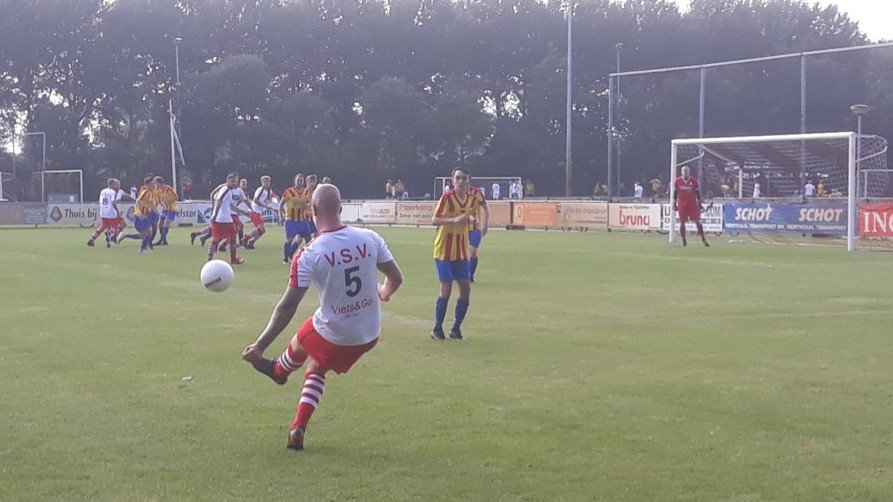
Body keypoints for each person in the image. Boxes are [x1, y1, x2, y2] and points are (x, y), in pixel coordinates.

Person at [240, 183, 403, 451]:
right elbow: (396, 277)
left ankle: (278, 369)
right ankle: (297, 428)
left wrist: (260, 344)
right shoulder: (370, 238)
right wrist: (383, 293)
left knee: (305, 335)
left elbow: (287, 307)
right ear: (340, 209)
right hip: (369, 333)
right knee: (316, 366)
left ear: (312, 210)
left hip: (336, 332)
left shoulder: (310, 253)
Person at [430, 167, 485, 340]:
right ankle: (437, 329)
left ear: (469, 181)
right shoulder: (447, 198)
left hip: (461, 251)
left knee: (465, 288)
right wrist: (453, 220)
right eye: (458, 178)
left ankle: (456, 328)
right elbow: (434, 220)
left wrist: (472, 219)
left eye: (464, 179)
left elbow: (476, 212)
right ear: (452, 180)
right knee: (446, 289)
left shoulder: (471, 199)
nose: (461, 182)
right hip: (443, 250)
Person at [206, 173, 246, 264]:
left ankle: (209, 258)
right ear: (227, 181)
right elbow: (219, 201)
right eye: (232, 182)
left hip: (220, 218)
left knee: (215, 239)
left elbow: (229, 205)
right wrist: (215, 215)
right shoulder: (226, 190)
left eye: (235, 182)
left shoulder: (225, 190)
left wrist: (242, 211)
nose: (234, 183)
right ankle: (233, 259)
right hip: (225, 219)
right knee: (232, 238)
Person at [117, 175, 157, 253]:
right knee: (148, 232)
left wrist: (156, 211)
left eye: (154, 183)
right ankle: (142, 248)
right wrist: (139, 213)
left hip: (145, 215)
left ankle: (125, 235)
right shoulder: (145, 192)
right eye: (152, 183)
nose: (154, 185)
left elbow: (150, 204)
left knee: (144, 234)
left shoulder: (151, 193)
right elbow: (137, 201)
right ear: (147, 185)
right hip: (140, 216)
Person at [87, 178, 130, 247]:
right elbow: (113, 202)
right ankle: (111, 237)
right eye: (116, 185)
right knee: (120, 225)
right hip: (111, 213)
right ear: (113, 185)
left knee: (102, 227)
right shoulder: (113, 192)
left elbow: (101, 202)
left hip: (103, 213)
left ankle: (92, 239)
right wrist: (117, 211)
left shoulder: (102, 191)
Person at [673, 165, 709, 248]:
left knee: (697, 221)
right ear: (681, 172)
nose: (685, 172)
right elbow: (675, 193)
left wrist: (699, 204)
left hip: (692, 204)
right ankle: (683, 240)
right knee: (682, 222)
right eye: (683, 170)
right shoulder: (678, 181)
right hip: (682, 204)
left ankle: (703, 239)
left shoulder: (693, 181)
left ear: (689, 172)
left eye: (686, 170)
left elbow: (697, 194)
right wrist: (674, 203)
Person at [279, 174, 307, 263]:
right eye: (298, 180)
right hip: (290, 219)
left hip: (302, 220)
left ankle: (291, 253)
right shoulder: (289, 192)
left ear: (303, 182)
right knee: (289, 239)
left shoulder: (306, 192)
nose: (299, 182)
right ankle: (285, 258)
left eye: (301, 180)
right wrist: (281, 215)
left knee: (306, 239)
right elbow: (281, 204)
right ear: (294, 181)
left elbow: (309, 203)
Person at [244, 175, 276, 249]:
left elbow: (265, 200)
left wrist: (268, 206)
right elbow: (255, 200)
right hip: (254, 210)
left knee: (262, 231)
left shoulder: (269, 191)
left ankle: (251, 242)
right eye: (265, 181)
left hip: (259, 211)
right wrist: (266, 206)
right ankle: (246, 238)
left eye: (268, 181)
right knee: (260, 228)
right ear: (262, 182)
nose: (266, 183)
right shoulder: (260, 190)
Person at [468, 184, 490, 283]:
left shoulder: (476, 193)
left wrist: (485, 224)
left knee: (473, 250)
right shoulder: (455, 194)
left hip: (475, 227)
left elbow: (485, 208)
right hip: (460, 227)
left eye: (465, 178)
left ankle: (470, 274)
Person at [153, 176, 178, 246]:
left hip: (172, 208)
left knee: (166, 223)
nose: (155, 185)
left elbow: (176, 197)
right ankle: (164, 240)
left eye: (156, 183)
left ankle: (161, 240)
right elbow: (158, 200)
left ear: (160, 183)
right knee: (160, 223)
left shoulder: (168, 188)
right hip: (165, 209)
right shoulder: (158, 190)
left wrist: (168, 200)